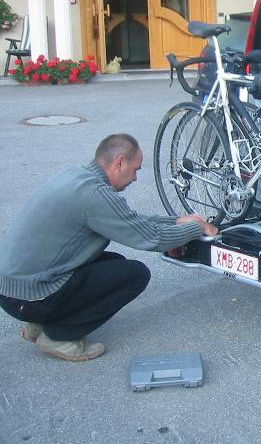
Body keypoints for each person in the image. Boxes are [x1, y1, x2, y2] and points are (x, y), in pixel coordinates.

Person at [0, 133, 217, 362]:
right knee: (134, 275)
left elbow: (131, 220)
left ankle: (39, 324)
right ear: (120, 162)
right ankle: (58, 336)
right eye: (136, 169)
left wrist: (176, 222)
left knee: (113, 263)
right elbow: (151, 239)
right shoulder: (96, 195)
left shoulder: (78, 176)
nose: (135, 178)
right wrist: (196, 228)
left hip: (15, 288)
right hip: (28, 297)